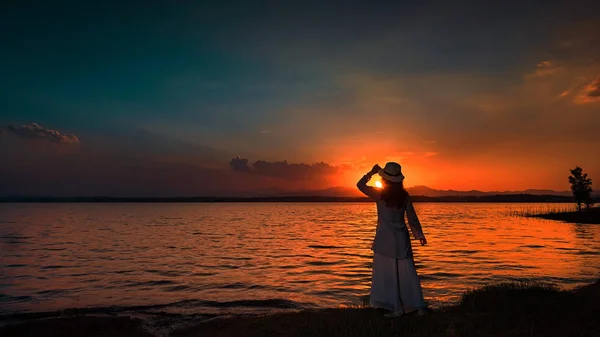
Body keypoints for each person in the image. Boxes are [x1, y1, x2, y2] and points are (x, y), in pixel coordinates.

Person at [357, 162, 428, 317]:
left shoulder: (380, 194)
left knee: (388, 273)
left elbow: (360, 185)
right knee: (409, 273)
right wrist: (419, 235)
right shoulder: (405, 196)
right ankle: (417, 305)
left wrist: (371, 172)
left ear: (385, 179)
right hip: (401, 239)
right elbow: (412, 219)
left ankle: (394, 307)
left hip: (384, 240)